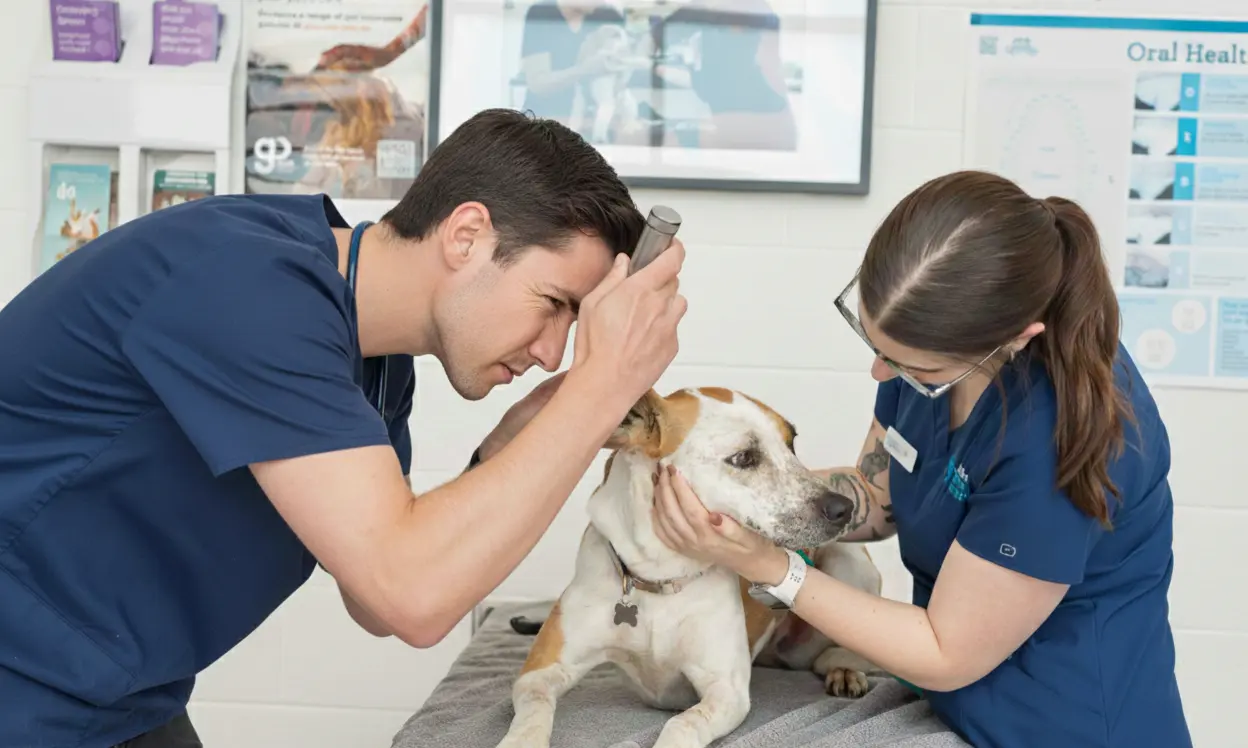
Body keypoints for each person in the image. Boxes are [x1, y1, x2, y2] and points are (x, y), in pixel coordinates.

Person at [0, 108, 687, 748]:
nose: (551, 354)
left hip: (116, 695)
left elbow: (375, 602)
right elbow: (411, 594)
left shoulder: (373, 360)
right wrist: (599, 391)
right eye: (553, 304)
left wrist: (509, 448)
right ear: (467, 234)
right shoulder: (248, 289)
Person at [650, 170, 1191, 747]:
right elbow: (879, 496)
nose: (882, 375)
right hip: (949, 710)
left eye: (911, 368)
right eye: (877, 347)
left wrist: (769, 565)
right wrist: (759, 499)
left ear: (1014, 336)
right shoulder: (931, 352)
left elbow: (945, 650)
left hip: (1063, 726)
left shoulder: (1063, 435)